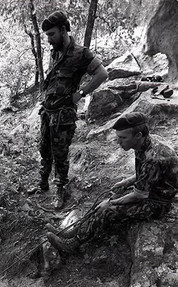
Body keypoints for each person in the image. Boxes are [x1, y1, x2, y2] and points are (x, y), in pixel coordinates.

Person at [46, 112, 178, 259]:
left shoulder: (152, 157)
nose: (118, 142)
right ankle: (74, 230)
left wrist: (111, 203)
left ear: (138, 135)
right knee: (109, 198)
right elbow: (147, 174)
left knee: (106, 210)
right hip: (150, 190)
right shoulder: (146, 144)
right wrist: (126, 182)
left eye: (123, 138)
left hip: (157, 203)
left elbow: (140, 194)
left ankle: (73, 244)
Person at [30, 10, 108, 210]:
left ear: (64, 30)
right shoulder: (54, 51)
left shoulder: (81, 53)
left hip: (63, 114)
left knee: (60, 153)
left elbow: (102, 74)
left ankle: (60, 190)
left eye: (51, 34)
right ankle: (43, 182)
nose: (48, 40)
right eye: (46, 35)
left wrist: (80, 94)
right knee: (44, 148)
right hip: (47, 111)